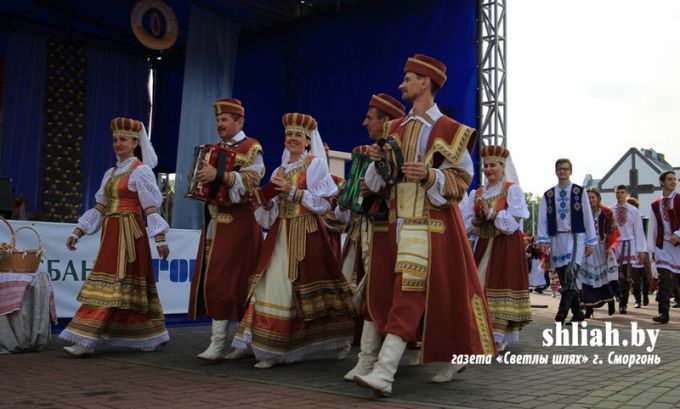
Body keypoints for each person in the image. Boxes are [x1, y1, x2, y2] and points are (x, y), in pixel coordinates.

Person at [353, 54, 495, 396]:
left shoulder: (452, 131)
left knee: (409, 295)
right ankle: (452, 353)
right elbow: (377, 183)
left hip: (428, 227)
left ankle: (384, 372)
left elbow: (462, 180)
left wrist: (431, 175)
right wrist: (377, 164)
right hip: (396, 224)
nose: (402, 84)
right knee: (412, 295)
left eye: (408, 78)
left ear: (425, 83)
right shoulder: (394, 129)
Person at [230, 112, 355, 368]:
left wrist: (294, 192)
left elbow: (324, 204)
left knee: (305, 285)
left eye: (299, 135)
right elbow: (271, 213)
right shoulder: (279, 169)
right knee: (267, 284)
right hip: (280, 232)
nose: (293, 138)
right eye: (289, 134)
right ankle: (262, 343)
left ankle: (287, 346)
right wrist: (265, 203)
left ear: (308, 141)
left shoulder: (315, 165)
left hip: (307, 233)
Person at [60, 117, 169, 355]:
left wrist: (159, 238)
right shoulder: (110, 173)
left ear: (134, 143)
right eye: (115, 140)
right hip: (111, 234)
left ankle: (89, 339)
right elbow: (100, 206)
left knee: (123, 285)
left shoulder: (140, 171)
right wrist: (78, 232)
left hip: (130, 234)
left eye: (123, 139)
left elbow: (150, 207)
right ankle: (143, 335)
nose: (118, 144)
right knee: (108, 284)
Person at [187, 98, 265, 361]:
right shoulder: (214, 149)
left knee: (231, 282)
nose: (220, 124)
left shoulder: (251, 146)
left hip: (240, 225)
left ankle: (230, 343)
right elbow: (208, 180)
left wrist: (220, 176)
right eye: (218, 120)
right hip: (215, 223)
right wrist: (196, 180)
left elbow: (253, 182)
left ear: (239, 122)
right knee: (215, 280)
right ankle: (228, 341)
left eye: (225, 120)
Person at [341, 93, 409, 379]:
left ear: (386, 122)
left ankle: (431, 351)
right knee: (375, 291)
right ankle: (368, 359)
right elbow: (370, 184)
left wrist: (378, 188)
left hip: (400, 229)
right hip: (376, 228)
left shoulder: (403, 149)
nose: (364, 121)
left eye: (370, 117)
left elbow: (401, 186)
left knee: (404, 293)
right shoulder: (371, 152)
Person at [460, 145, 531, 352]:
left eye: (493, 165)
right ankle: (482, 332)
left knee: (501, 285)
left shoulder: (512, 190)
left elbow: (513, 225)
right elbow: (468, 226)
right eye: (485, 165)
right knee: (479, 285)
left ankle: (499, 335)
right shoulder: (477, 193)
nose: (488, 169)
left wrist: (491, 213)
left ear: (502, 166)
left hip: (506, 246)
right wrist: (478, 219)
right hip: (484, 244)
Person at [537, 159, 597, 324]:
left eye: (565, 169)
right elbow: (542, 219)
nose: (562, 172)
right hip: (557, 238)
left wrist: (591, 241)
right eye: (559, 169)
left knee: (571, 274)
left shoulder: (579, 191)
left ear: (570, 171)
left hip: (576, 237)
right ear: (555, 171)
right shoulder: (548, 195)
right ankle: (578, 313)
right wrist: (543, 240)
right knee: (565, 278)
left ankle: (561, 314)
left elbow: (587, 215)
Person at [579, 188, 620, 318]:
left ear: (598, 198)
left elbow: (612, 231)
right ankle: (589, 308)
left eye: (593, 197)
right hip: (586, 247)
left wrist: (609, 246)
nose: (591, 200)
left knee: (603, 277)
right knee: (586, 278)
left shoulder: (606, 212)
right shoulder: (582, 213)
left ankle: (610, 300)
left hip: (601, 247)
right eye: (588, 197)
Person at [647, 170, 680, 324]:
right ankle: (663, 313)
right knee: (664, 280)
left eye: (675, 179)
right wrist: (651, 250)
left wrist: (678, 234)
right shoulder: (655, 204)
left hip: (678, 245)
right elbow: (653, 228)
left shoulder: (679, 199)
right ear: (662, 183)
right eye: (670, 179)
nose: (673, 182)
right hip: (663, 246)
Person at [611, 185, 647, 313]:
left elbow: (639, 230)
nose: (620, 194)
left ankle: (623, 304)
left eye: (622, 192)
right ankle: (618, 297)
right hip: (615, 245)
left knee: (627, 275)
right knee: (616, 274)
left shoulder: (633, 211)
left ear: (626, 194)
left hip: (629, 244)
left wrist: (641, 249)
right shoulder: (610, 210)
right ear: (614, 193)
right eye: (618, 192)